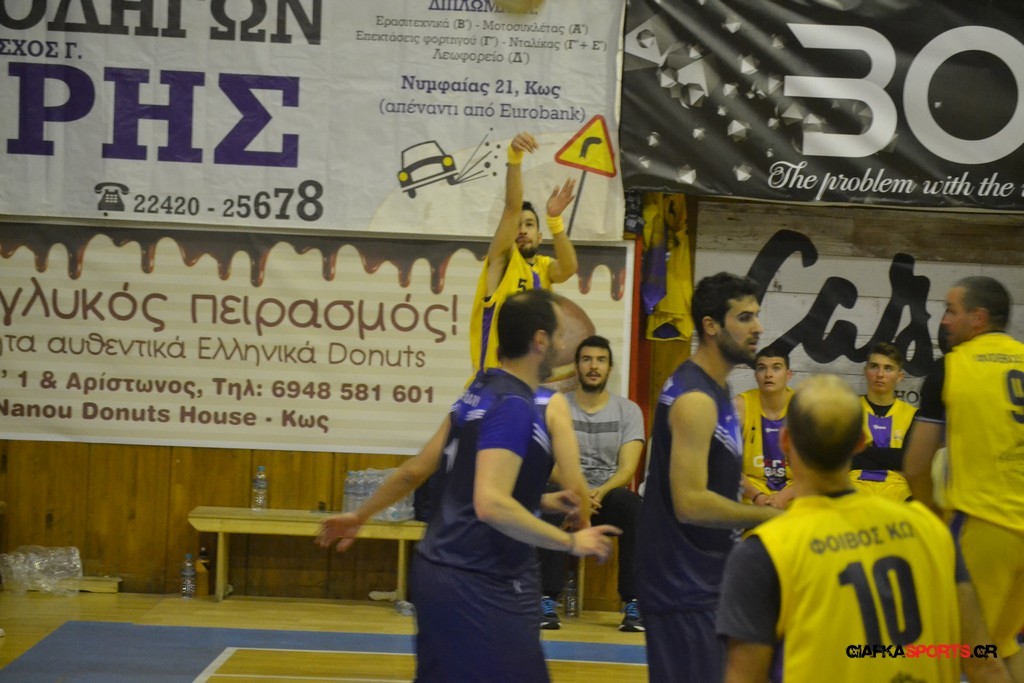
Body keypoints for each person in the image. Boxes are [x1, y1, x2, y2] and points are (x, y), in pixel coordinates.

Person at [320, 289, 619, 683]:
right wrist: (569, 542)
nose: (565, 345)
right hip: (480, 578)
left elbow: (416, 471)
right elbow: (490, 504)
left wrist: (361, 515)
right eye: (560, 335)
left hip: (434, 569)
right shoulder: (515, 406)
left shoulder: (478, 392)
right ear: (540, 341)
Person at [718, 374, 1011, 683]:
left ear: (785, 442)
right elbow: (984, 663)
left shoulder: (765, 551)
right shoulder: (931, 529)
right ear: (860, 442)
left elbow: (744, 676)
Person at [637, 272, 781, 683]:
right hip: (682, 587)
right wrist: (772, 518)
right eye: (745, 318)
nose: (758, 328)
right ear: (711, 326)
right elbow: (690, 502)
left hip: (706, 580)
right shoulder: (696, 399)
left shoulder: (719, 391)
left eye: (756, 316)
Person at [904, 276, 1024, 682]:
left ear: (978, 318)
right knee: (1004, 645)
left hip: (985, 526)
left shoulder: (952, 367)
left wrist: (934, 515)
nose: (944, 320)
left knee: (965, 654)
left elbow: (915, 465)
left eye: (951, 310)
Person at [537, 335, 646, 632]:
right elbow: (550, 464)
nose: (593, 366)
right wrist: (580, 492)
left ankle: (633, 603)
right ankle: (546, 600)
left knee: (633, 506)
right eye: (587, 360)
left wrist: (598, 492)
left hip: (606, 496)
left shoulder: (629, 411)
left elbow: (627, 469)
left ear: (609, 368)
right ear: (577, 367)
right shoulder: (558, 406)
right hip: (568, 493)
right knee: (546, 500)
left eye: (600, 360)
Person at [469, 131, 579, 373]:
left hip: (527, 381)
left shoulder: (543, 268)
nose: (522, 230)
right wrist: (514, 158)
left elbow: (569, 268)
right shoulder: (503, 260)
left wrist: (555, 221)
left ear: (539, 236)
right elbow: (512, 207)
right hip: (493, 382)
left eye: (529, 224)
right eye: (518, 225)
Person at [848, 341, 916, 501]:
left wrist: (860, 450)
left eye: (888, 368)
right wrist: (892, 460)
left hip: (898, 491)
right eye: (874, 366)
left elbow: (908, 461)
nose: (880, 374)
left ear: (899, 376)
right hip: (854, 487)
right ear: (865, 371)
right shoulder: (848, 410)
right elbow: (843, 458)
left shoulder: (912, 415)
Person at [734, 347, 794, 509]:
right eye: (762, 368)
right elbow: (725, 462)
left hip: (794, 491)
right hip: (752, 491)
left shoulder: (803, 406)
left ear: (788, 375)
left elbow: (816, 470)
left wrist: (783, 497)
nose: (768, 374)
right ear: (755, 375)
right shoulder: (740, 406)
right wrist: (757, 496)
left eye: (776, 368)